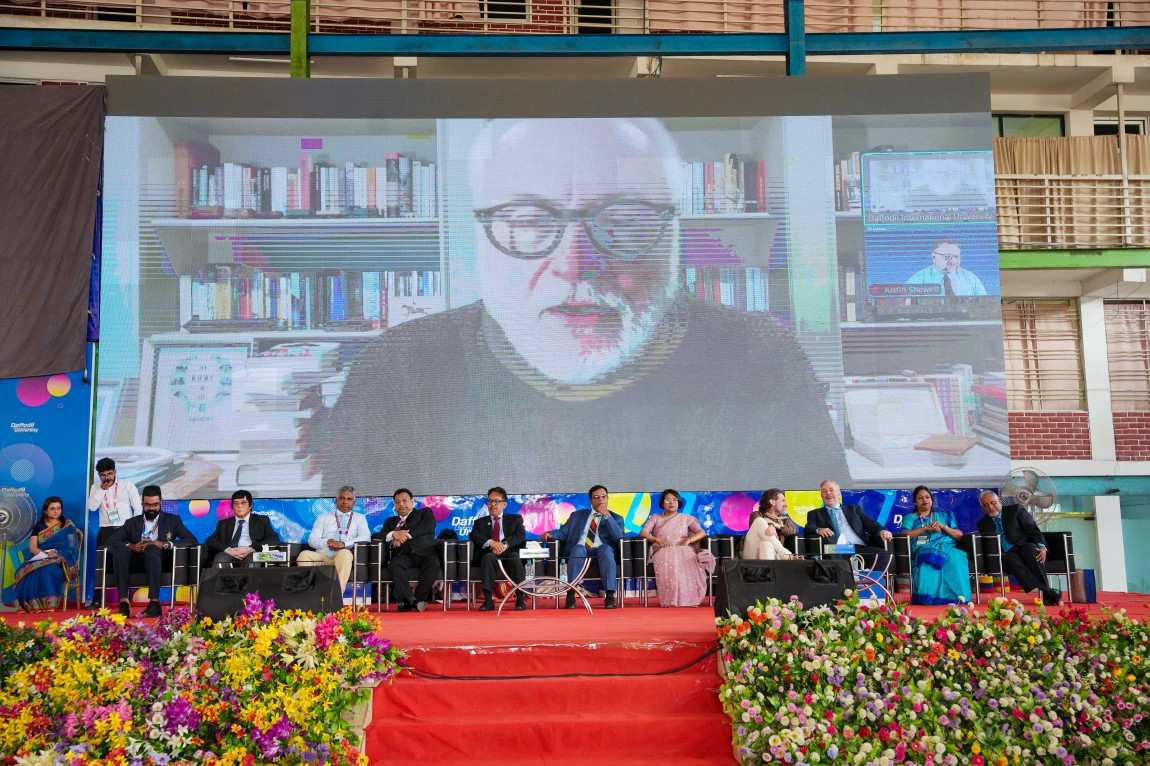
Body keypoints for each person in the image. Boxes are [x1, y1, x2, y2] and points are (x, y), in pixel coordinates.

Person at [316, 117, 849, 495]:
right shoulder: (398, 369)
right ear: (479, 238)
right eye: (528, 221)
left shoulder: (759, 359)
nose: (574, 264)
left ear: (676, 234)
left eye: (624, 220)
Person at [106, 485, 198, 619]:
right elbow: (111, 540)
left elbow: (191, 539)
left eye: (155, 505)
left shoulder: (172, 520)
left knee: (151, 549)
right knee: (121, 552)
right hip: (137, 561)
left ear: (161, 502)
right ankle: (124, 604)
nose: (151, 508)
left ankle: (154, 604)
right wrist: (131, 546)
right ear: (142, 503)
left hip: (160, 560)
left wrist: (165, 544)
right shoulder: (132, 522)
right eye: (147, 505)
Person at [542, 485, 626, 609]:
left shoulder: (617, 518)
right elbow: (563, 532)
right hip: (581, 552)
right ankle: (571, 594)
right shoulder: (577, 516)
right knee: (578, 548)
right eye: (596, 497)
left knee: (606, 549)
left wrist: (607, 516)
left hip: (602, 554)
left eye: (603, 496)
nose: (600, 499)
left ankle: (609, 595)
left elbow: (619, 537)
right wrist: (551, 534)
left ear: (607, 499)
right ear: (591, 501)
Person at [976, 491, 1061, 606]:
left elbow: (1033, 529)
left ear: (1000, 501)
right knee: (1009, 559)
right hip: (1009, 553)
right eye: (986, 505)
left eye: (993, 503)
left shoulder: (1015, 510)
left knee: (1031, 550)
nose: (990, 507)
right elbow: (988, 544)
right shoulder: (982, 524)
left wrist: (1042, 547)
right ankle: (1049, 592)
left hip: (1026, 546)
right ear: (982, 508)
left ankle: (1048, 593)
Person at [639, 489, 715, 607]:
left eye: (674, 500)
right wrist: (657, 540)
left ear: (679, 502)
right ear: (662, 503)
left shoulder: (685, 518)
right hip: (663, 550)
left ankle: (688, 598)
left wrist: (689, 540)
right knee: (671, 555)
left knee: (685, 554)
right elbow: (643, 533)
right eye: (668, 500)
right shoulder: (656, 517)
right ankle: (671, 599)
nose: (671, 502)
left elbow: (701, 533)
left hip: (683, 548)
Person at [898, 485, 971, 605]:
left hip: (946, 547)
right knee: (929, 552)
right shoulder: (910, 518)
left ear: (932, 500)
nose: (924, 500)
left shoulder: (944, 516)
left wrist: (943, 526)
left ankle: (956, 597)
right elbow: (904, 534)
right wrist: (925, 528)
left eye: (927, 497)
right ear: (915, 502)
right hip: (921, 548)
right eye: (920, 498)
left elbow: (959, 535)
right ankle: (928, 596)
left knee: (955, 556)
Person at [373, 488, 439, 612]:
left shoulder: (424, 513)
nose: (401, 504)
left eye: (404, 500)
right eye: (398, 502)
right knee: (394, 564)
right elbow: (377, 535)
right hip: (403, 555)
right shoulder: (390, 521)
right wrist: (393, 534)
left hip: (425, 552)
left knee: (433, 562)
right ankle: (411, 600)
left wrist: (404, 535)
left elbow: (427, 527)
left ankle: (418, 598)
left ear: (412, 502)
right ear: (394, 505)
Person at [805, 479, 893, 572]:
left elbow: (871, 524)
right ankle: (843, 580)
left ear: (839, 493)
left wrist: (882, 531)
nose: (828, 493)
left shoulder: (854, 509)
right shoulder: (815, 513)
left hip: (857, 547)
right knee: (830, 550)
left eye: (831, 490)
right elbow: (809, 528)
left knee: (883, 555)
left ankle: (870, 580)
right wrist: (819, 530)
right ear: (821, 496)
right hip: (834, 548)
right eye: (824, 491)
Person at [298, 485, 371, 593]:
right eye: (342, 498)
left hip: (341, 554)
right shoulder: (323, 517)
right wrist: (326, 542)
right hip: (322, 554)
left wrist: (344, 544)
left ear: (354, 502)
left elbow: (366, 537)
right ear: (336, 500)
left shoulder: (359, 518)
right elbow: (312, 540)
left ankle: (336, 596)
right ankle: (308, 595)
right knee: (304, 555)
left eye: (349, 499)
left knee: (345, 554)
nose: (345, 502)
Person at [12, 497, 80, 612]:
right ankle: (32, 604)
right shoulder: (39, 527)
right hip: (42, 557)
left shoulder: (67, 525)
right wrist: (45, 554)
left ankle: (48, 604)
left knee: (48, 569)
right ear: (45, 511)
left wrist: (58, 553)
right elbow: (33, 547)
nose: (56, 511)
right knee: (25, 569)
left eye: (58, 508)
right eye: (52, 509)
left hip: (61, 560)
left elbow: (71, 547)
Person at [468, 486, 527, 611]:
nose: (493, 504)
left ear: (504, 504)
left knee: (515, 557)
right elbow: (474, 536)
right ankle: (488, 600)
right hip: (491, 553)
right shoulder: (479, 522)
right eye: (490, 501)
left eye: (496, 501)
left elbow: (520, 536)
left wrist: (503, 545)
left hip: (509, 552)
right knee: (488, 558)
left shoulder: (515, 519)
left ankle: (520, 598)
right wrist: (491, 543)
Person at [204, 490, 281, 567]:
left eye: (243, 502)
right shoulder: (223, 524)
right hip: (231, 555)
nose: (239, 506)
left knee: (254, 557)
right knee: (221, 557)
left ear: (250, 505)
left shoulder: (261, 520)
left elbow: (273, 538)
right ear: (232, 506)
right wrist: (228, 550)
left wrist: (252, 549)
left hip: (251, 554)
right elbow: (210, 540)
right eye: (236, 503)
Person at [86, 457, 142, 546]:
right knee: (104, 554)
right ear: (99, 475)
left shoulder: (127, 485)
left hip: (125, 528)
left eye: (109, 474)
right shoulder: (95, 487)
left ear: (115, 472)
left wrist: (135, 527)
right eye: (103, 475)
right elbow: (92, 507)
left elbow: (137, 506)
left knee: (126, 554)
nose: (107, 477)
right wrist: (102, 490)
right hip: (105, 529)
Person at [905, 238, 987, 297]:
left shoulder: (971, 278)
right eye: (947, 256)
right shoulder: (917, 280)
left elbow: (985, 305)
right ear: (933, 256)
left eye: (956, 256)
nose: (953, 261)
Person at [742, 488, 797, 561]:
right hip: (753, 554)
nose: (786, 504)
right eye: (783, 500)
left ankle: (784, 556)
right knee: (759, 521)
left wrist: (776, 525)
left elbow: (793, 531)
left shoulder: (785, 520)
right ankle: (788, 555)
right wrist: (770, 526)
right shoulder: (757, 514)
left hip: (773, 556)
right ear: (772, 502)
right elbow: (760, 524)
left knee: (766, 544)